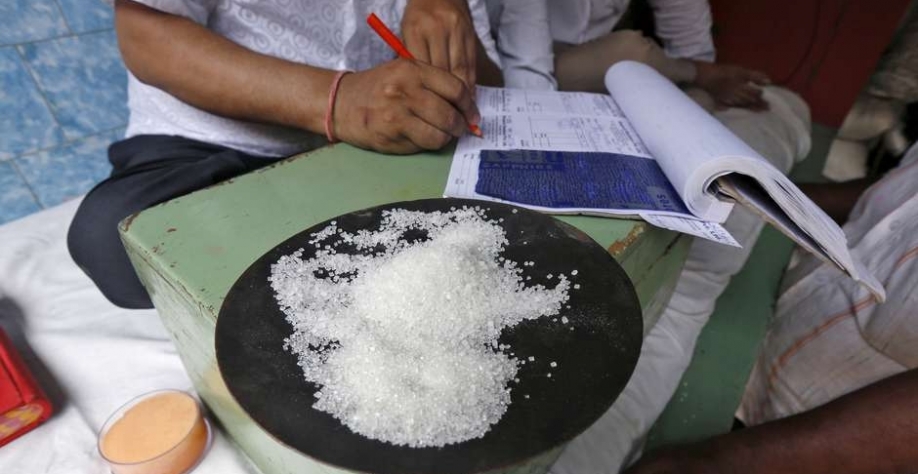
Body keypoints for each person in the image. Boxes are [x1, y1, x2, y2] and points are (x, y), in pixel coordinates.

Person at [68, 0, 502, 309]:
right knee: (115, 242)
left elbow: (487, 87)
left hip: (361, 149)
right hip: (210, 142)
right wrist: (336, 101)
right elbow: (146, 38)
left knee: (487, 216)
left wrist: (452, 9)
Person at [625, 143, 918, 474]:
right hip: (775, 326)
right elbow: (900, 198)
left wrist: (723, 462)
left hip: (811, 441)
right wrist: (766, 197)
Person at [486, 0, 769, 111]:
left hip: (599, 67)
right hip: (518, 59)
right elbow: (525, 58)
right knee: (629, 53)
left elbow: (687, 28)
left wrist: (700, 75)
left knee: (699, 104)